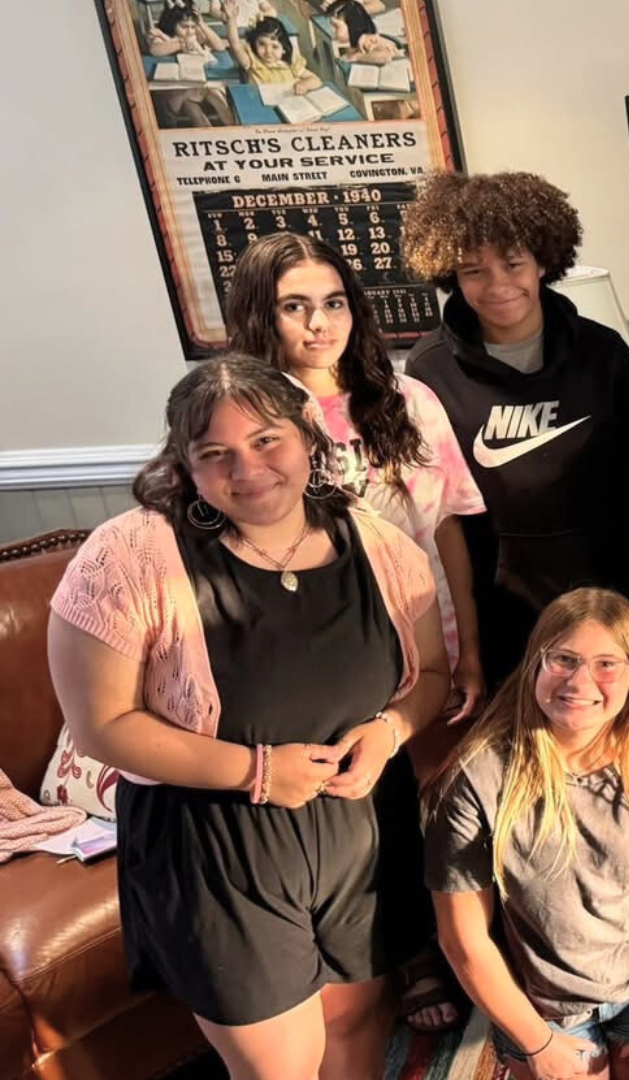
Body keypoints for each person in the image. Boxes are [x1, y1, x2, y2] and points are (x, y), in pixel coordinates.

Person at [46, 356, 447, 1080]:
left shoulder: (376, 543)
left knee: (356, 1024)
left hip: (359, 833)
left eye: (267, 440)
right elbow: (100, 724)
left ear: (307, 438)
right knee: (279, 1066)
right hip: (217, 849)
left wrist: (389, 733)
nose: (249, 467)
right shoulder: (128, 558)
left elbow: (431, 678)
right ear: (186, 467)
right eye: (215, 453)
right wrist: (258, 771)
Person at [225, 230, 486, 1034]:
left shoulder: (408, 399)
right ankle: (399, 956)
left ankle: (455, 948)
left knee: (440, 806)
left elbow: (446, 529)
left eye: (333, 303)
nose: (319, 323)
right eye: (296, 306)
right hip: (326, 654)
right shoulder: (249, 414)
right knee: (361, 808)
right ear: (261, 318)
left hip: (425, 638)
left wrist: (469, 643)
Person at [426, 588, 629, 1080]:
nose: (581, 681)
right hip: (542, 1007)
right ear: (535, 663)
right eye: (563, 659)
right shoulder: (478, 777)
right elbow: (463, 938)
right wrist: (535, 1042)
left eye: (607, 664)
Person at [403, 170, 629, 687]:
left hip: (608, 590)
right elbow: (438, 505)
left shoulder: (604, 353)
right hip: (498, 607)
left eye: (514, 264)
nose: (498, 285)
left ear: (543, 262)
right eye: (473, 270)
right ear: (449, 274)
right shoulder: (429, 369)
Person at [225, 5, 320, 93]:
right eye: (262, 44)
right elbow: (235, 44)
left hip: (289, 105)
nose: (268, 51)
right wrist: (231, 19)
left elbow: (316, 80)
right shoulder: (252, 60)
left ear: (284, 48)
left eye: (274, 46)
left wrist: (304, 85)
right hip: (262, 107)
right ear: (255, 44)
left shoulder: (291, 62)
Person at [325, 0, 402, 64]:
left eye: (336, 26)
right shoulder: (349, 41)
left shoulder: (367, 40)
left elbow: (386, 57)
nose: (332, 30)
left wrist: (358, 57)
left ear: (353, 26)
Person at [147, 6, 228, 58]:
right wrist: (182, 44)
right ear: (172, 24)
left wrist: (202, 24)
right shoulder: (164, 33)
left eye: (193, 27)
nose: (189, 31)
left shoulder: (196, 32)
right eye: (184, 27)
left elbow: (220, 47)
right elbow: (154, 50)